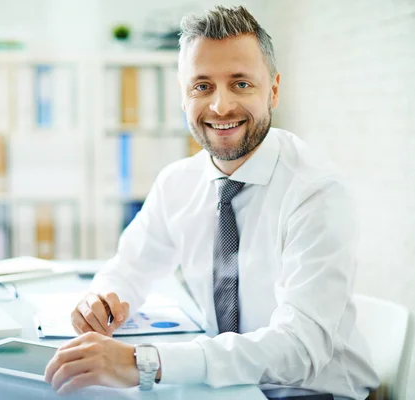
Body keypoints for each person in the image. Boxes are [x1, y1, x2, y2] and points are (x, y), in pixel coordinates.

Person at [44, 5, 380, 399]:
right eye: (202, 86)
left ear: (273, 90)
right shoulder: (177, 183)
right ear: (183, 96)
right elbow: (130, 269)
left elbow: (299, 348)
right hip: (225, 388)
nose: (220, 106)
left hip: (312, 393)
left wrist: (143, 362)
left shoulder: (316, 192)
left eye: (241, 84)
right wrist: (100, 300)